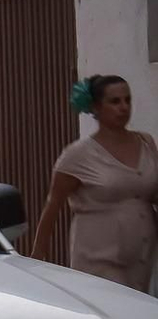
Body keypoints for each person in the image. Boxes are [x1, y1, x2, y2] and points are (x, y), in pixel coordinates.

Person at [32, 75, 158, 290]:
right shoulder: (78, 155)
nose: (124, 108)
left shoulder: (145, 143)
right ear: (96, 107)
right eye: (115, 101)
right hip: (98, 258)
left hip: (142, 257)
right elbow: (53, 205)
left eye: (128, 100)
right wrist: (38, 255)